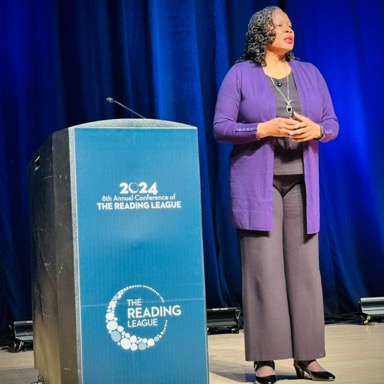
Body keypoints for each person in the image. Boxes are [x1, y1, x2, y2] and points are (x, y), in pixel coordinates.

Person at [213, 6, 339, 384]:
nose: (290, 30)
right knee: (263, 272)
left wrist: (316, 131)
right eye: (281, 26)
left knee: (304, 272)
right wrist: (261, 129)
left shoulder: (310, 73)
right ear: (261, 33)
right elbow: (221, 127)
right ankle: (265, 359)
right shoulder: (240, 74)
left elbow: (332, 124)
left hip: (302, 182)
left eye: (291, 25)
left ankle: (307, 357)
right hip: (258, 186)